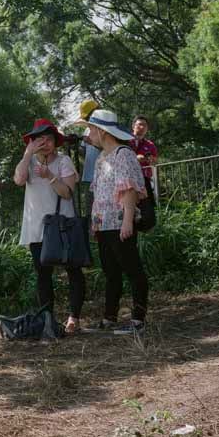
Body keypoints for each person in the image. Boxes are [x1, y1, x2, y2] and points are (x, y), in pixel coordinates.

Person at [75, 108, 149, 334]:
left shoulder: (123, 154)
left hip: (119, 222)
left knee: (132, 269)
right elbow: (99, 193)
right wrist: (95, 224)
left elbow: (129, 189)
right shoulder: (101, 157)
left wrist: (127, 221)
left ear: (102, 131)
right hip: (104, 224)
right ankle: (109, 318)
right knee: (111, 271)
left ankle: (138, 321)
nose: (88, 134)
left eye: (91, 129)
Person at [13, 119, 84, 334]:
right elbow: (19, 180)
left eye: (49, 139)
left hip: (63, 225)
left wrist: (50, 176)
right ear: (32, 142)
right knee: (43, 274)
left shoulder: (63, 161)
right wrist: (27, 154)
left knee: (73, 270)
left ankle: (74, 318)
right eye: (39, 139)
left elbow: (67, 193)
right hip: (37, 227)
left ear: (56, 142)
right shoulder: (28, 162)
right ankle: (48, 320)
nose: (44, 143)